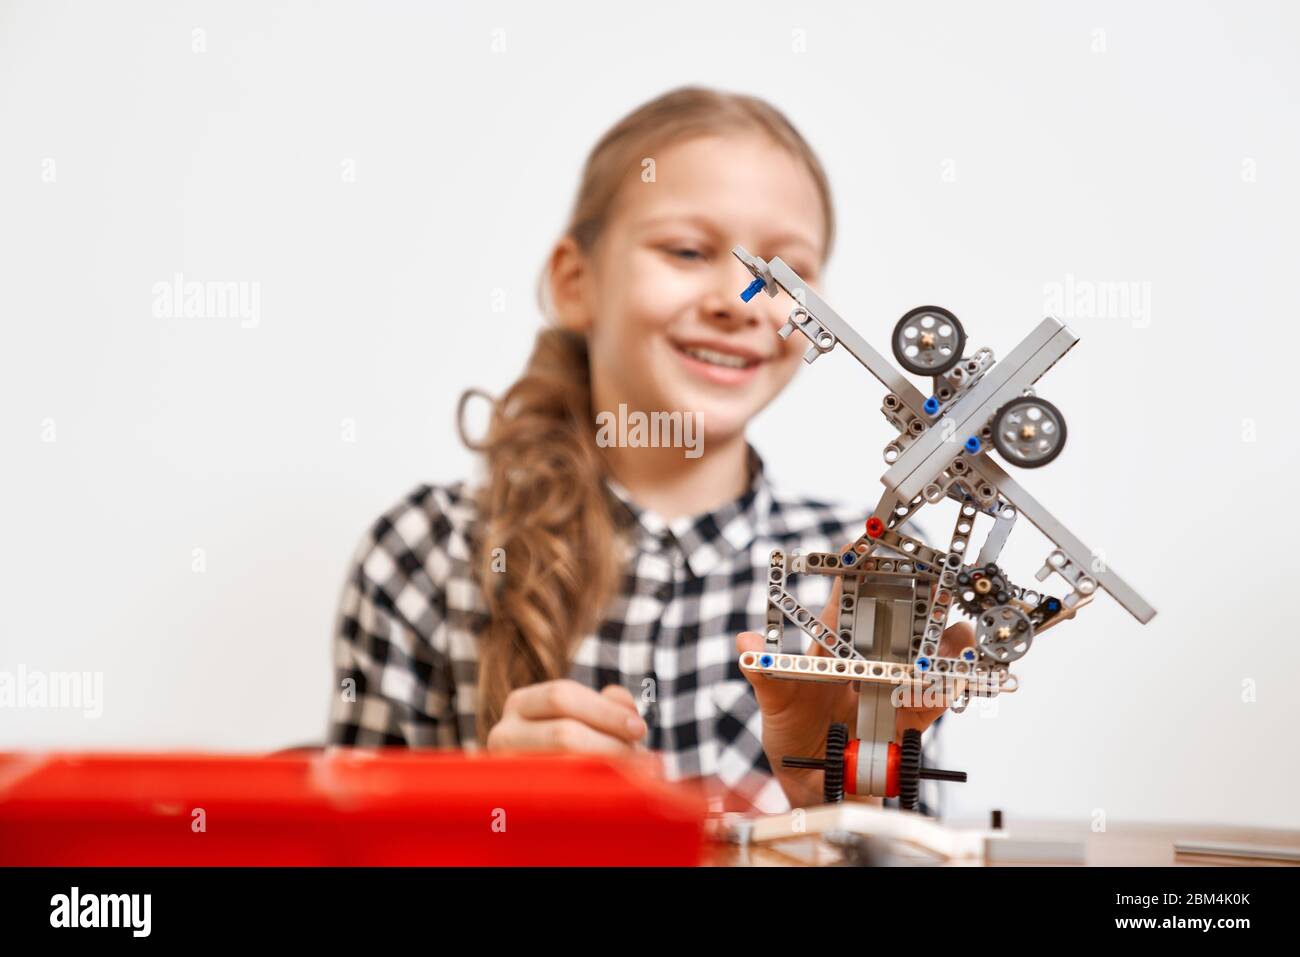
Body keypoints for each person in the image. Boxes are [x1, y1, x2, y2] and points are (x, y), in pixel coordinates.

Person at [326, 85, 974, 815]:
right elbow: (348, 843)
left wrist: (830, 797)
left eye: (787, 272)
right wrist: (484, 813)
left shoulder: (879, 568)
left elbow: (908, 850)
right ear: (577, 282)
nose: (741, 301)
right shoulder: (423, 554)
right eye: (689, 251)